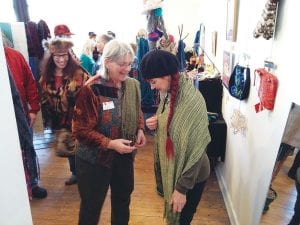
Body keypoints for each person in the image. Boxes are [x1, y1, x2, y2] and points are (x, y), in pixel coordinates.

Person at [72, 39, 146, 225]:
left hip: (123, 156)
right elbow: (80, 131)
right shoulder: (92, 89)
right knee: (91, 207)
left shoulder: (131, 85)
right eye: (122, 64)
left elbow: (137, 109)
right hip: (93, 160)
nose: (127, 68)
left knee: (122, 201)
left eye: (130, 64)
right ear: (107, 62)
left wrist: (140, 128)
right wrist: (110, 144)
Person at [140, 49, 211, 225]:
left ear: (166, 76)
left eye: (153, 81)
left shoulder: (190, 102)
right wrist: (159, 122)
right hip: (177, 170)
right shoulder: (171, 92)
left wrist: (181, 190)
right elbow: (174, 125)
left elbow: (197, 151)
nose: (152, 87)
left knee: (181, 220)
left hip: (191, 178)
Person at [39, 37, 90, 185]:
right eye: (57, 56)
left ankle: (85, 173)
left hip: (79, 118)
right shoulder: (46, 77)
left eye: (64, 56)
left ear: (69, 55)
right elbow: (43, 97)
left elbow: (90, 91)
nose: (61, 60)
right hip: (59, 120)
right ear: (52, 57)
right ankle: (75, 173)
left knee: (83, 147)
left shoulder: (78, 73)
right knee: (68, 147)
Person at [4, 45, 47, 199]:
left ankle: (33, 183)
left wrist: (33, 109)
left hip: (20, 114)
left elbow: (29, 82)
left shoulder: (15, 56)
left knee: (27, 147)